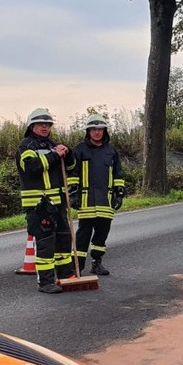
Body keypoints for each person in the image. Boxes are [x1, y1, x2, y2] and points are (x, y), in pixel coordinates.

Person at [16, 107, 76, 294]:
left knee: (64, 240)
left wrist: (68, 152)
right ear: (32, 126)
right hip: (37, 205)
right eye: (41, 124)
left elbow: (71, 166)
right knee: (45, 243)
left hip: (57, 203)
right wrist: (55, 155)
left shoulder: (53, 145)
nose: (45, 127)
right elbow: (31, 167)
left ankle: (65, 275)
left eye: (48, 124)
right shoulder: (26, 146)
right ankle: (46, 282)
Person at [69, 112, 125, 276]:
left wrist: (119, 193)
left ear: (104, 131)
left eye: (100, 129)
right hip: (86, 201)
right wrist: (73, 194)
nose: (97, 132)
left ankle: (97, 263)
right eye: (93, 129)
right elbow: (72, 174)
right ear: (88, 131)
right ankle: (77, 267)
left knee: (102, 234)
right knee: (83, 235)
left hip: (105, 201)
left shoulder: (111, 151)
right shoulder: (79, 150)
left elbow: (118, 174)